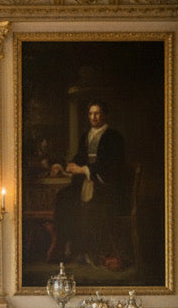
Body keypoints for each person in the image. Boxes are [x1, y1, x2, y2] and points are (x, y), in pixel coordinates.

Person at [49, 101, 130, 270]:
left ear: (104, 115)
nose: (93, 117)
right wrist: (67, 167)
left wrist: (84, 169)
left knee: (91, 205)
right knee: (64, 197)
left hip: (106, 185)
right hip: (87, 182)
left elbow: (111, 166)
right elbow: (79, 157)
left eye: (97, 113)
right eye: (91, 113)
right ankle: (66, 247)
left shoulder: (113, 136)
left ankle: (91, 252)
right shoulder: (86, 135)